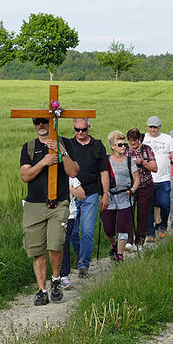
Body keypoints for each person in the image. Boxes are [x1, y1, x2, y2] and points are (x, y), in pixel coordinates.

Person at [20, 117, 80, 305]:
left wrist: (62, 151)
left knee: (55, 245)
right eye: (37, 123)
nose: (41, 126)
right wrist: (44, 162)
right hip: (34, 205)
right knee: (37, 250)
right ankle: (41, 290)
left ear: (52, 122)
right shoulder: (28, 147)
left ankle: (55, 280)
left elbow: (73, 171)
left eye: (45, 122)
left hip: (58, 203)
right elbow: (25, 175)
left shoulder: (66, 142)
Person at [66, 118, 110, 278]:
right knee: (71, 232)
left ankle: (83, 264)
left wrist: (105, 193)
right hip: (71, 195)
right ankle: (79, 254)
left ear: (88, 128)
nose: (80, 133)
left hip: (91, 194)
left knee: (87, 231)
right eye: (77, 130)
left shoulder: (97, 146)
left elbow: (103, 171)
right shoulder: (68, 145)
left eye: (83, 130)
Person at [101, 130, 140, 262]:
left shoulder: (130, 161)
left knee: (123, 227)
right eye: (120, 144)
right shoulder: (106, 161)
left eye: (124, 145)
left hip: (125, 197)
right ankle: (114, 245)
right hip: (110, 197)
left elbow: (137, 179)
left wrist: (133, 190)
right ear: (112, 146)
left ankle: (120, 255)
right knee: (108, 229)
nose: (123, 147)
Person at [143, 116, 173, 241]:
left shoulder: (167, 139)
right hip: (148, 178)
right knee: (149, 206)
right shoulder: (143, 138)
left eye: (155, 127)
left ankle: (163, 224)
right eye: (150, 127)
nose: (153, 129)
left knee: (165, 203)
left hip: (164, 177)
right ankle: (150, 233)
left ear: (160, 126)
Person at [125, 128, 157, 248]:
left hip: (145, 186)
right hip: (130, 186)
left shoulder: (147, 149)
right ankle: (128, 240)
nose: (132, 143)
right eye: (130, 141)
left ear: (139, 139)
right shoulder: (125, 150)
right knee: (129, 212)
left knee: (143, 213)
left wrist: (143, 162)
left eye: (135, 140)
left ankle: (140, 240)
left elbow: (154, 168)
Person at [58, 175, 85, 289]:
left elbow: (82, 195)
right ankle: (56, 273)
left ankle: (64, 274)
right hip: (52, 215)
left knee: (64, 241)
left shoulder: (71, 178)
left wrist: (68, 188)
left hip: (69, 215)